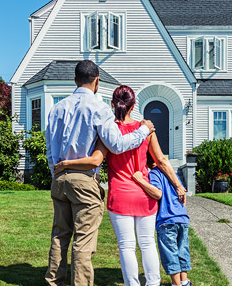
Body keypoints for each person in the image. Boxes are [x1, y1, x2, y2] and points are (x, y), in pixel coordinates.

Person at [55, 84, 186, 286]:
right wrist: (178, 185)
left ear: (112, 104)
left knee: (126, 246)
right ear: (133, 106)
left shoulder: (108, 132)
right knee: (147, 243)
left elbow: (95, 159)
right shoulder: (146, 129)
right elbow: (161, 160)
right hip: (145, 194)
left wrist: (65, 163)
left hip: (120, 196)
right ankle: (153, 283)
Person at [45, 60, 155, 286]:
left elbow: (49, 146)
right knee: (83, 241)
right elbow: (116, 144)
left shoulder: (56, 108)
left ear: (75, 80)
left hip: (59, 178)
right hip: (83, 180)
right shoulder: (99, 108)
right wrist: (144, 130)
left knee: (59, 235)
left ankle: (54, 281)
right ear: (97, 81)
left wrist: (55, 171)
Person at [132, 153, 191, 286]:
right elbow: (183, 195)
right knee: (182, 250)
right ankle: (184, 281)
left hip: (166, 219)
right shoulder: (173, 174)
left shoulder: (155, 173)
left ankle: (176, 284)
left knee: (170, 254)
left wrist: (140, 181)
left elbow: (157, 193)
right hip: (182, 218)